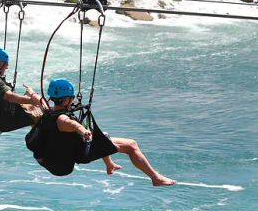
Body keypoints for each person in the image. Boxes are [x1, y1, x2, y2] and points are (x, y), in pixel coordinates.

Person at [27, 78, 175, 187]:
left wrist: (31, 93)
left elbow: (40, 100)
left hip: (52, 158)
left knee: (103, 137)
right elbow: (70, 123)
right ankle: (155, 178)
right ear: (66, 99)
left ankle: (110, 165)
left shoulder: (48, 111)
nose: (72, 101)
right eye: (71, 98)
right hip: (67, 161)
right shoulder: (62, 119)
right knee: (131, 145)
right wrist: (83, 130)